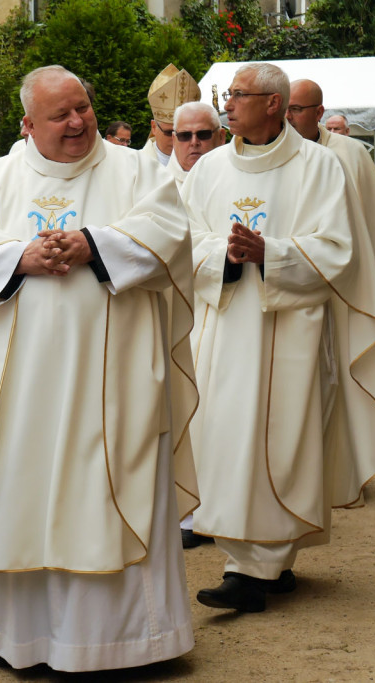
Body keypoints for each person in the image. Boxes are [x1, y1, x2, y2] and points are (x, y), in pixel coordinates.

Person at [0, 65, 198, 672]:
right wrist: (17, 256)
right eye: (60, 114)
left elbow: (169, 235)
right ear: (28, 125)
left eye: (83, 107)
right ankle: (25, 640)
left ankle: (131, 642)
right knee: (19, 495)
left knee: (111, 492)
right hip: (18, 393)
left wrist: (95, 244)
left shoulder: (135, 170)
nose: (78, 121)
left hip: (116, 388)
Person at [183, 63, 375, 613]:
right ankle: (260, 562)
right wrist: (225, 256)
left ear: (275, 104)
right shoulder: (208, 169)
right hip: (225, 325)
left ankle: (256, 567)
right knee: (224, 438)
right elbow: (187, 241)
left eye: (238, 96)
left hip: (290, 332)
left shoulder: (320, 167)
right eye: (227, 96)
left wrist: (271, 255)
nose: (227, 105)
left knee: (280, 441)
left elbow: (337, 249)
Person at [286, 79, 375, 326]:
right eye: (285, 110)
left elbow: (372, 214)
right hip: (293, 267)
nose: (288, 117)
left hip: (342, 265)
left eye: (297, 109)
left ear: (319, 112)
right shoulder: (274, 151)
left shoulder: (350, 152)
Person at [167, 100, 227, 550]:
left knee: (216, 416)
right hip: (168, 319)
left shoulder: (233, 177)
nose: (193, 145)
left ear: (220, 136)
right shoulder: (149, 183)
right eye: (183, 136)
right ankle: (183, 512)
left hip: (221, 313)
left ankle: (216, 509)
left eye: (203, 136)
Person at [141, 64, 200, 166]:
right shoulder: (136, 165)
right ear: (154, 127)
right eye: (169, 132)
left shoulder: (203, 164)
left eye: (184, 134)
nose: (175, 139)